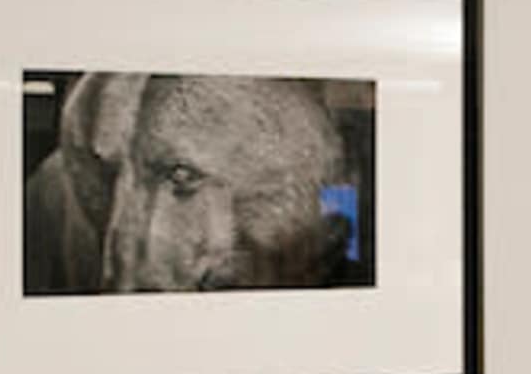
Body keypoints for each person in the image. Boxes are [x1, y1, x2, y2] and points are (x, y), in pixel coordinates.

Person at [20, 72, 361, 294]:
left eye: (182, 179)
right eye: (111, 173)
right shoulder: (52, 189)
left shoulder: (338, 192)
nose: (121, 267)